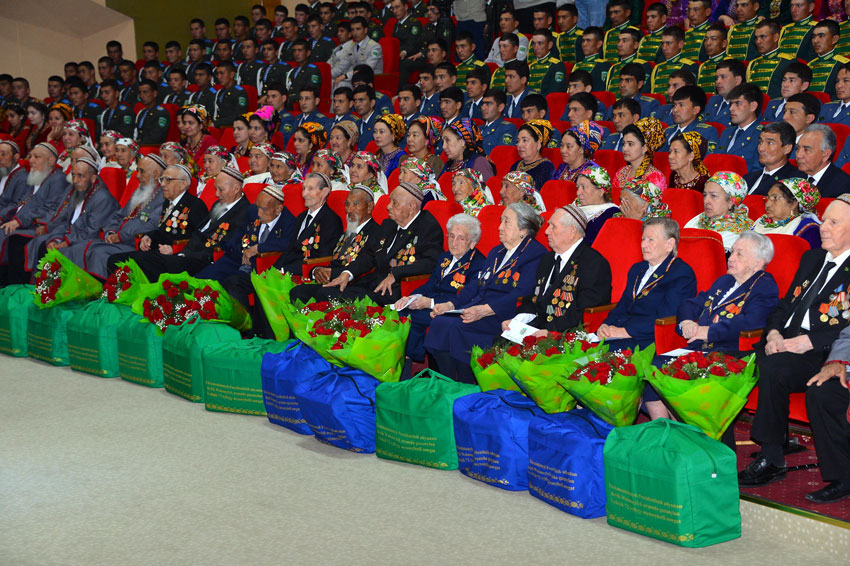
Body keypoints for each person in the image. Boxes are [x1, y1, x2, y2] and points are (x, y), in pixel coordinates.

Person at [739, 196, 850, 498]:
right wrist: (773, 333)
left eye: (833, 222)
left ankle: (772, 456)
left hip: (826, 352)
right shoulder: (812, 259)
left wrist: (808, 341)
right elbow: (786, 304)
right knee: (736, 363)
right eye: (824, 219)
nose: (822, 227)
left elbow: (846, 329)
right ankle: (740, 449)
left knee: (773, 368)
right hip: (789, 344)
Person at [425, 203, 547, 382]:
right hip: (478, 306)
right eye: (501, 221)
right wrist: (451, 305)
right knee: (439, 322)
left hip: (503, 313)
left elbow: (523, 293)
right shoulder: (497, 251)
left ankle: (467, 384)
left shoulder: (535, 254)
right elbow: (476, 284)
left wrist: (484, 310)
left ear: (523, 229)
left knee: (456, 327)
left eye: (506, 222)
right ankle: (448, 381)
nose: (499, 227)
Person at [598, 216, 697, 417]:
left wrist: (624, 331)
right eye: (643, 239)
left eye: (651, 240)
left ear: (670, 244)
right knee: (587, 349)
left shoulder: (681, 273)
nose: (643, 245)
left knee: (609, 358)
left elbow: (666, 317)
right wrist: (606, 324)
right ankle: (597, 417)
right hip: (626, 333)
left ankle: (619, 417)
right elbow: (623, 305)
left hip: (654, 339)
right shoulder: (638, 269)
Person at [305, 180, 442, 305]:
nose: (388, 207)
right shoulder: (388, 224)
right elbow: (369, 255)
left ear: (412, 207)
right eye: (390, 201)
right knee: (304, 293)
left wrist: (397, 273)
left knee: (327, 296)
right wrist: (347, 273)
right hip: (374, 284)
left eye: (394, 203)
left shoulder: (428, 226)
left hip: (396, 291)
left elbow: (431, 263)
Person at [2, 157, 117, 285]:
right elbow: (66, 222)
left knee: (47, 250)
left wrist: (65, 243)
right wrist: (56, 239)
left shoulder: (102, 198)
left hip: (86, 242)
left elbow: (91, 231)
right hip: (70, 237)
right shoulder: (78, 193)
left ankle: (45, 293)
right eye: (73, 175)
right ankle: (24, 290)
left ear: (93, 178)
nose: (75, 181)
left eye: (81, 176)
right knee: (37, 245)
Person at [395, 213, 486, 371]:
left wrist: (429, 303)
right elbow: (431, 284)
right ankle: (406, 361)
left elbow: (466, 297)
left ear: (472, 242)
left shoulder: (478, 264)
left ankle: (409, 363)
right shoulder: (445, 257)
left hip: (453, 309)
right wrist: (411, 297)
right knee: (402, 310)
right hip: (435, 303)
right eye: (451, 236)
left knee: (412, 316)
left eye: (460, 238)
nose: (454, 242)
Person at [506, 204, 613, 334]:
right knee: (497, 343)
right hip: (537, 327)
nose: (546, 231)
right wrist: (518, 320)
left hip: (564, 334)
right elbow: (535, 297)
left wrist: (549, 332)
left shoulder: (594, 264)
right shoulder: (547, 258)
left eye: (553, 226)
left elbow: (583, 312)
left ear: (572, 231)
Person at [129, 167, 251, 280]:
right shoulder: (218, 205)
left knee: (150, 262)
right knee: (137, 259)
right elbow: (198, 232)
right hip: (187, 255)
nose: (216, 194)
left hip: (205, 260)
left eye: (221, 189)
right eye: (216, 189)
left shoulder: (245, 211)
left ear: (236, 189)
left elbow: (225, 245)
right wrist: (180, 252)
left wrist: (184, 253)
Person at [64, 155, 166, 278]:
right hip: (119, 241)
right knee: (81, 247)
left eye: (142, 171)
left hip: (134, 244)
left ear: (155, 175)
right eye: (137, 170)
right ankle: (77, 287)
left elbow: (150, 225)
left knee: (97, 253)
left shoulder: (163, 198)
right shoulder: (140, 192)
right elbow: (118, 216)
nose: (137, 176)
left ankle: (100, 291)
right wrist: (110, 231)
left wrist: (119, 236)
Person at [198, 184, 295, 313]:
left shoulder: (289, 221)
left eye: (264, 209)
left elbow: (288, 244)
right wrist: (243, 250)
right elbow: (237, 236)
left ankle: (242, 323)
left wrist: (258, 248)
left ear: (278, 209)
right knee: (202, 279)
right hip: (237, 259)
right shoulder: (252, 212)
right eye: (258, 207)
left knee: (232, 283)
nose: (259, 213)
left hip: (258, 270)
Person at [678, 231, 779, 351]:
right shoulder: (726, 280)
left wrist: (709, 332)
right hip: (698, 349)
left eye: (739, 254)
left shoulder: (764, 286)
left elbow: (750, 322)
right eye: (732, 252)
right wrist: (687, 322)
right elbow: (693, 303)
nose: (730, 258)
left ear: (758, 263)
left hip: (728, 353)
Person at [105, 164, 208, 274]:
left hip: (180, 258)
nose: (162, 184)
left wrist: (175, 249)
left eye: (168, 180)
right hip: (159, 253)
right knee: (115, 260)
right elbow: (163, 231)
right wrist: (149, 236)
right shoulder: (167, 203)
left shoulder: (195, 205)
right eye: (162, 180)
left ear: (182, 184)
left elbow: (201, 239)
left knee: (122, 262)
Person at [289, 184, 380, 305]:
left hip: (354, 285)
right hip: (332, 282)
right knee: (297, 293)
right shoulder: (348, 231)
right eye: (347, 204)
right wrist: (316, 270)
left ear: (369, 207)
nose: (349, 210)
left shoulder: (376, 232)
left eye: (356, 204)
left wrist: (331, 273)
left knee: (324, 294)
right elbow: (330, 259)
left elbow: (365, 264)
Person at [0, 143, 70, 266]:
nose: (31, 161)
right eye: (30, 156)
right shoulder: (36, 177)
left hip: (36, 225)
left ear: (51, 160)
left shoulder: (58, 179)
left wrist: (19, 221)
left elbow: (49, 208)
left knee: (11, 237)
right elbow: (19, 203)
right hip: (21, 222)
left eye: (37, 157)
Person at [270, 172, 344, 274]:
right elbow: (291, 249)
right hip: (287, 269)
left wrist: (284, 271)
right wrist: (274, 270)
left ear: (325, 192)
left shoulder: (331, 220)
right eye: (304, 188)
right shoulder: (301, 217)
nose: (304, 194)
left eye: (310, 189)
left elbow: (322, 258)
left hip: (306, 274)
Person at [685, 171, 754, 251]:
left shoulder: (739, 233)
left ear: (730, 202)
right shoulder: (700, 219)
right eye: (705, 195)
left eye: (713, 196)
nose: (706, 201)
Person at [753, 178, 822, 248]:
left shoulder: (809, 229)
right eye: (768, 198)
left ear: (793, 204)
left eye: (775, 198)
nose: (767, 204)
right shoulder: (761, 222)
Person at [744, 121, 802, 196]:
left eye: (770, 143)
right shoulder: (748, 178)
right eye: (760, 142)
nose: (761, 148)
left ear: (787, 148)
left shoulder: (793, 181)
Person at [718, 82, 765, 172]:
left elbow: (757, 170)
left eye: (738, 103)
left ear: (752, 106)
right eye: (731, 104)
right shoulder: (726, 133)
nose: (731, 108)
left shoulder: (762, 134)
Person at [795, 124, 850, 197]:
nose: (799, 155)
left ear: (826, 154)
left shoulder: (843, 186)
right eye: (798, 148)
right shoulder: (792, 176)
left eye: (807, 149)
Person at [615, 117, 666, 191]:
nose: (625, 148)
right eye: (623, 144)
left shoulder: (655, 176)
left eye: (630, 144)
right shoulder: (622, 171)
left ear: (645, 148)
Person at [574, 165, 620, 244]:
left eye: (583, 187)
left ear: (601, 191)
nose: (578, 193)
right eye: (578, 187)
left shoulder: (611, 214)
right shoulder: (574, 206)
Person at [509, 121, 555, 190]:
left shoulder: (545, 168)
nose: (519, 145)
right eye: (518, 141)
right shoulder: (516, 165)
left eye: (525, 140)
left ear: (538, 145)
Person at [480, 90, 517, 154]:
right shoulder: (478, 128)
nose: (483, 108)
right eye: (483, 104)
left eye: (488, 104)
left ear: (500, 107)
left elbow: (502, 154)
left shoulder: (506, 128)